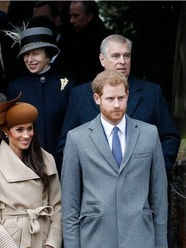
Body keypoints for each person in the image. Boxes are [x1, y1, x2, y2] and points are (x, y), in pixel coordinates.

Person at [61, 69, 168, 248]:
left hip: (140, 236)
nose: (117, 104)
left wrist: (159, 241)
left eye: (121, 97)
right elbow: (70, 196)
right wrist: (72, 245)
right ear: (97, 98)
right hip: (96, 238)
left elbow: (158, 191)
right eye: (110, 99)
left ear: (128, 95)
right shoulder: (77, 138)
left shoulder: (149, 133)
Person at [58, 34, 181, 175]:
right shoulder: (80, 95)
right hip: (96, 190)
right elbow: (66, 145)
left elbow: (170, 137)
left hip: (142, 186)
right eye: (116, 56)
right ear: (102, 60)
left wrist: (155, 171)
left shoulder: (152, 93)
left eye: (127, 56)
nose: (122, 61)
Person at [0, 94, 62, 248]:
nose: (26, 135)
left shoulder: (47, 159)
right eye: (19, 129)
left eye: (30, 128)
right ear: (6, 130)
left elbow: (57, 208)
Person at [5, 24, 74, 171]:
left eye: (35, 53)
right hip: (27, 164)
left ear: (48, 55)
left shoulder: (68, 85)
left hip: (62, 164)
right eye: (26, 54)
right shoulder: (16, 88)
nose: (30, 59)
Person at [56, 1, 109, 84]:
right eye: (71, 16)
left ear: (90, 15)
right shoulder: (71, 36)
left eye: (76, 16)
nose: (72, 20)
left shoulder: (99, 41)